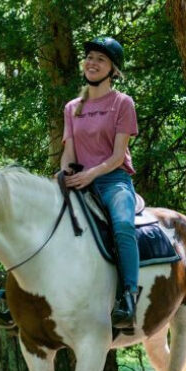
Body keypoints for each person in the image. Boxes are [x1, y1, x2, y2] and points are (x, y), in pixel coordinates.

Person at [61, 36, 140, 328]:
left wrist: (90, 175)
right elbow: (68, 152)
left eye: (101, 59)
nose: (92, 63)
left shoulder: (122, 103)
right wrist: (66, 174)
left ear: (113, 70)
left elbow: (119, 156)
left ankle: (129, 296)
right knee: (39, 218)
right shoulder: (73, 107)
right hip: (78, 179)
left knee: (122, 225)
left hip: (112, 181)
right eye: (90, 57)